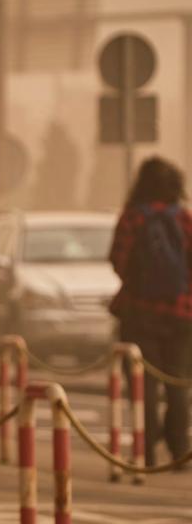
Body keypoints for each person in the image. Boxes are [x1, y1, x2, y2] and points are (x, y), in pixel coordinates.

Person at [109, 156, 192, 469]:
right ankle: (181, 451)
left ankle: (147, 451)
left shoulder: (133, 218)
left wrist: (139, 286)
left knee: (143, 386)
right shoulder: (184, 219)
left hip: (138, 314)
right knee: (179, 382)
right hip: (183, 314)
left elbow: (118, 259)